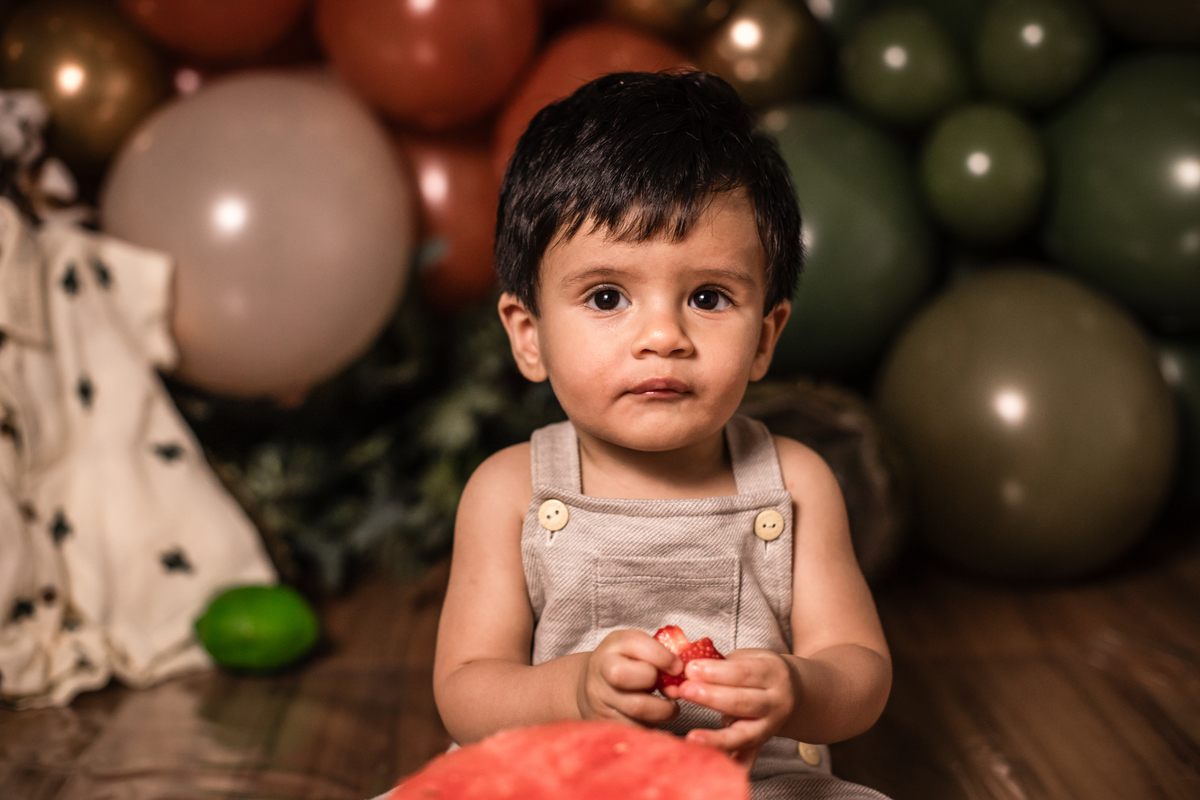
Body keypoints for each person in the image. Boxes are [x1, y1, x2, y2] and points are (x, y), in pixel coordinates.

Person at [432, 70, 892, 799]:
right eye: (607, 296)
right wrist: (576, 690)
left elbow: (860, 672)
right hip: (554, 778)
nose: (662, 336)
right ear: (529, 336)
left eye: (708, 297)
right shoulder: (509, 490)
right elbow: (467, 689)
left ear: (766, 336)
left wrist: (797, 688)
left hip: (748, 782)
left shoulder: (794, 483)